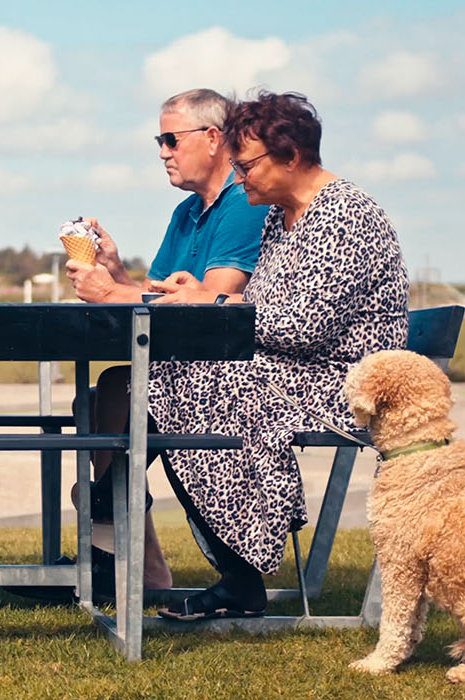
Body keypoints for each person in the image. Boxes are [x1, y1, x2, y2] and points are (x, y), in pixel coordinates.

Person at [152, 91, 409, 620]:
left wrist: (212, 301)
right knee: (164, 383)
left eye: (246, 166)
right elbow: (265, 309)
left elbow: (300, 326)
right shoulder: (282, 216)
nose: (239, 177)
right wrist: (207, 298)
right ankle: (241, 570)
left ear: (290, 157)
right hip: (297, 372)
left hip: (344, 385)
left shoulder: (344, 216)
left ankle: (244, 567)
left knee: (185, 385)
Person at [63, 89, 267, 594]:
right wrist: (115, 273)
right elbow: (156, 297)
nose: (162, 152)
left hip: (230, 376)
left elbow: (214, 304)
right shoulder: (187, 212)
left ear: (214, 138)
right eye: (161, 140)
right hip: (187, 369)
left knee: (116, 391)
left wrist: (108, 291)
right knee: (98, 396)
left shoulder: (242, 205)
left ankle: (114, 542)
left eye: (170, 139)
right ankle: (130, 558)